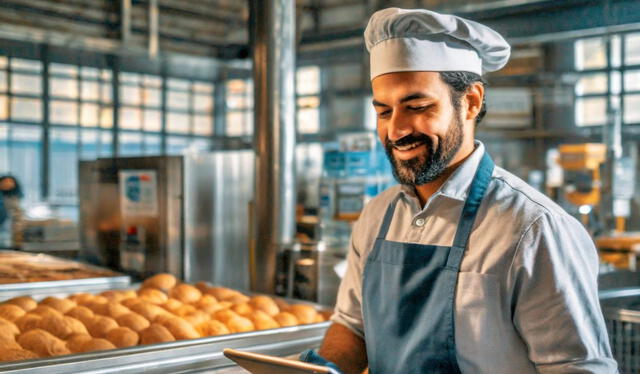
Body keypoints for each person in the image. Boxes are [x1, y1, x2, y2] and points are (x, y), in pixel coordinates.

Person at [301, 7, 617, 374]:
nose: (397, 129)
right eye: (384, 112)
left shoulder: (533, 229)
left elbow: (578, 368)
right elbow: (353, 327)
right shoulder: (378, 215)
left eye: (417, 106)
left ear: (471, 101)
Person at [0, 175, 25, 249]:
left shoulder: (15, 198)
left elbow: (18, 216)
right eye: (4, 181)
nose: (7, 184)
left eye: (9, 182)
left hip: (8, 230)